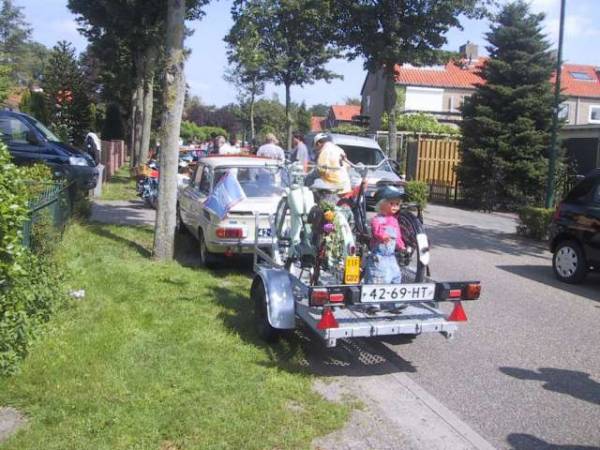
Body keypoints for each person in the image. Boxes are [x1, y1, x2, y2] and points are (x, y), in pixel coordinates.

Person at [364, 186, 406, 285]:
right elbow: (376, 231)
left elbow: (398, 236)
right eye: (392, 203)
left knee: (395, 278)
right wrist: (382, 236)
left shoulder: (394, 221)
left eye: (397, 204)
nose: (395, 206)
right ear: (381, 204)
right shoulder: (377, 220)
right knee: (378, 281)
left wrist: (401, 245)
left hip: (391, 257)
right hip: (379, 258)